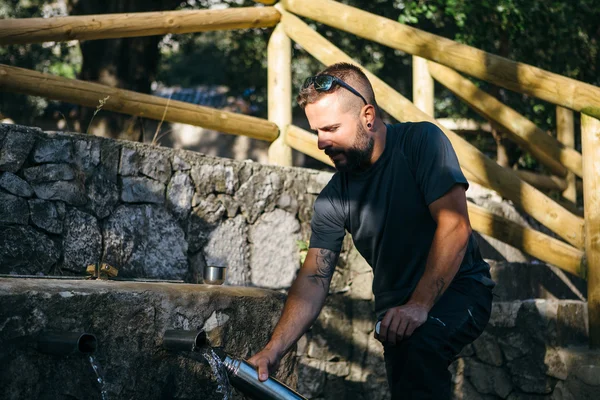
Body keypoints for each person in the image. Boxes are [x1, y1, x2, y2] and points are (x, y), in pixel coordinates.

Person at [248, 62, 495, 399]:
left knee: (422, 348)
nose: (321, 142)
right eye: (316, 131)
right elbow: (313, 281)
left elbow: (455, 225)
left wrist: (418, 305)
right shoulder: (332, 200)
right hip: (394, 315)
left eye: (331, 128)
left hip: (460, 289)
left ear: (368, 116)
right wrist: (273, 349)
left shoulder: (421, 142)